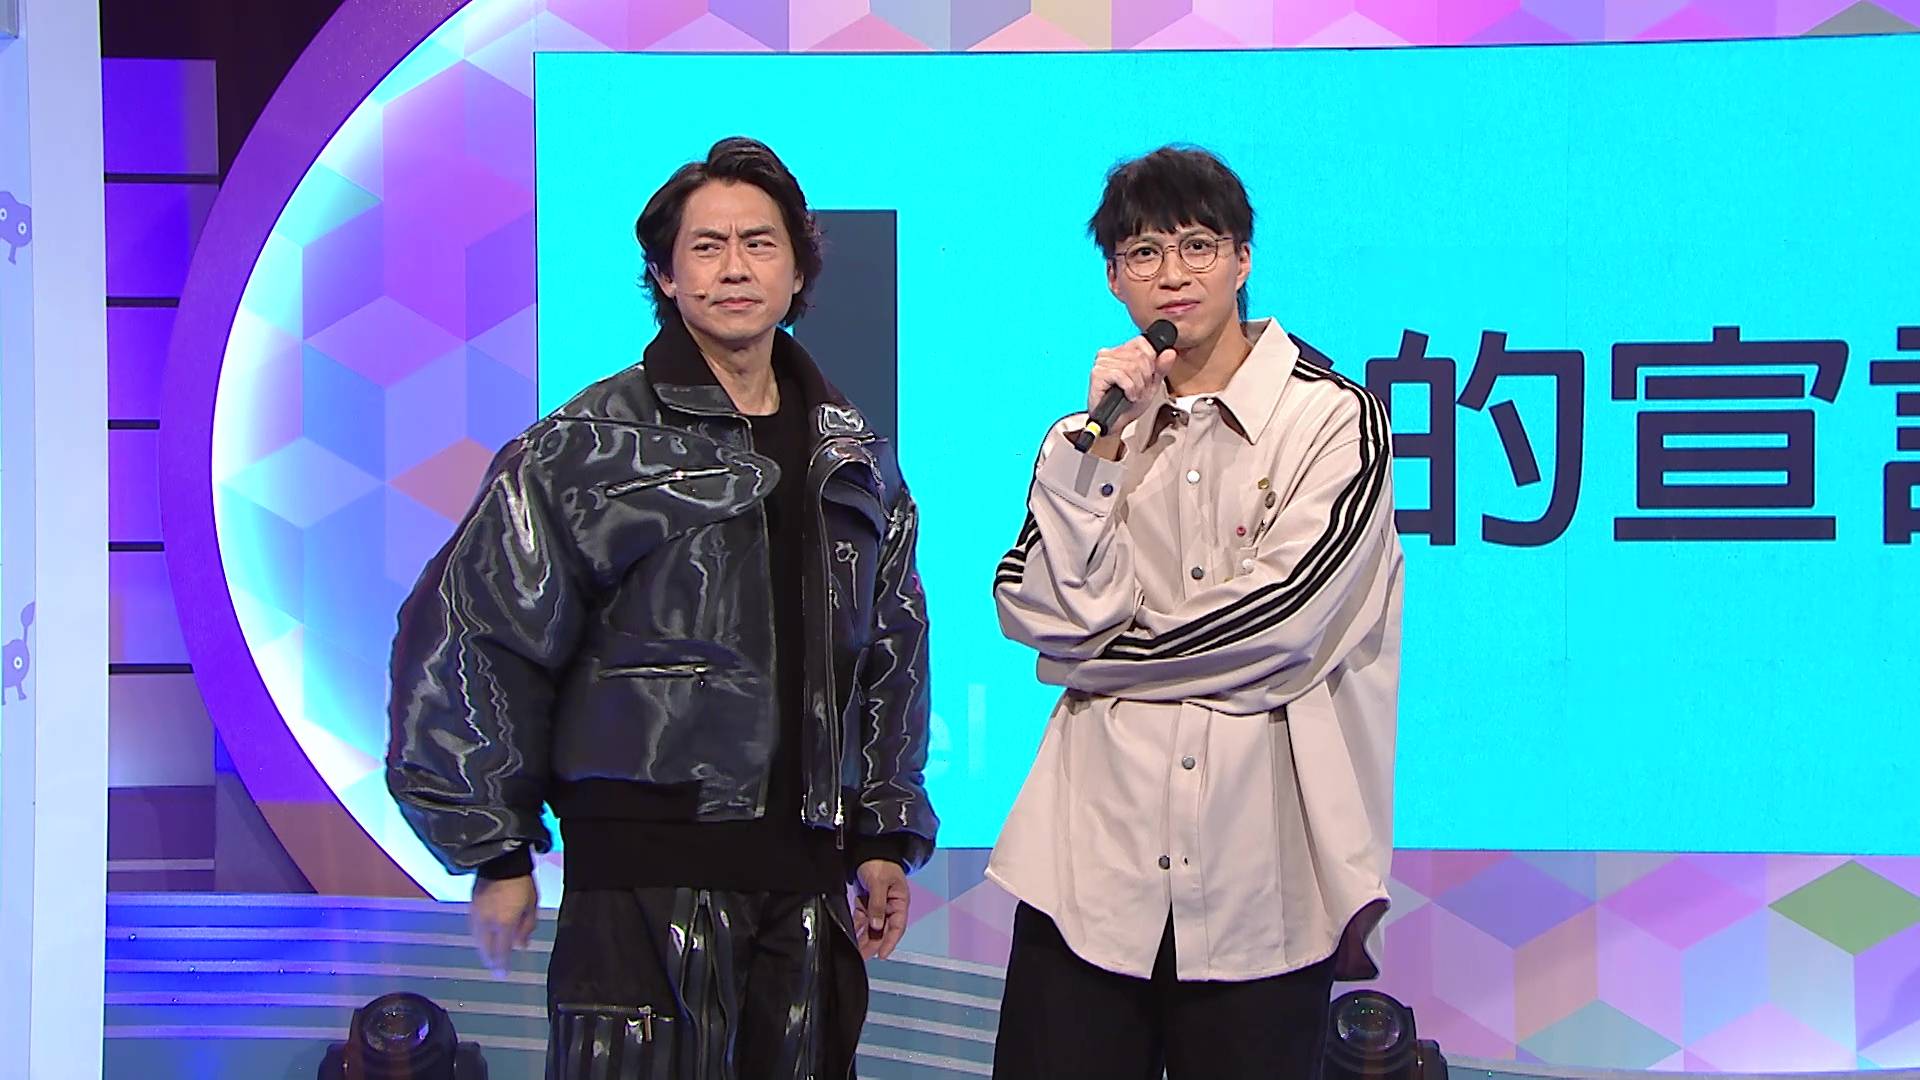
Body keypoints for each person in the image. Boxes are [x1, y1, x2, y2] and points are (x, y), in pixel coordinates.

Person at [387, 136, 938, 1080]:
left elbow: (892, 649)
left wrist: (883, 833)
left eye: (760, 244)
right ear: (666, 275)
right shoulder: (588, 445)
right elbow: (474, 634)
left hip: (807, 880)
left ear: (798, 269)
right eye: (707, 247)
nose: (736, 269)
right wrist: (496, 849)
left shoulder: (853, 455)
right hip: (640, 882)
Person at [987, 145, 1404, 1079]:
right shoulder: (1086, 434)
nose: (1172, 274)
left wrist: (1093, 664)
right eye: (1143, 253)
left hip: (1264, 882)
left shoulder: (1334, 420)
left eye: (1197, 246)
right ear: (1114, 278)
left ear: (1243, 259)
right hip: (1087, 875)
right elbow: (1032, 603)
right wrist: (1099, 450)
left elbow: (1285, 629)